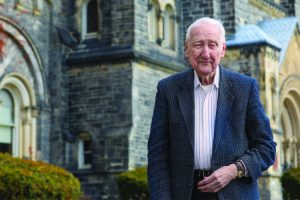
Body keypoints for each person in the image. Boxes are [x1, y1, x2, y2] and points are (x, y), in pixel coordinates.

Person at [147, 17, 276, 200]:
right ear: (186, 49)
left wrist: (234, 170)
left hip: (234, 192)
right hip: (185, 194)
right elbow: (158, 156)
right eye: (198, 44)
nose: (205, 53)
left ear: (222, 49)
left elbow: (266, 147)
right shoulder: (168, 89)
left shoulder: (245, 88)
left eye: (212, 45)